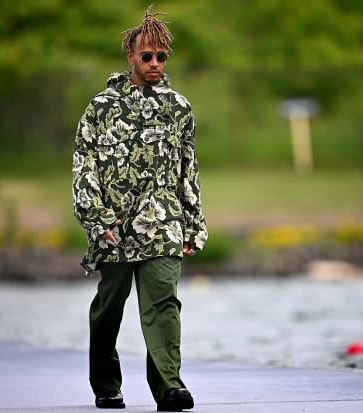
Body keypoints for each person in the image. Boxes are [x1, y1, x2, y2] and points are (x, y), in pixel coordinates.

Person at [72, 4, 207, 411]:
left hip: (163, 223)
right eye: (146, 55)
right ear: (130, 55)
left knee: (163, 302)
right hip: (113, 226)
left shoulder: (179, 107)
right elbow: (84, 167)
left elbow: (189, 169)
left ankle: (169, 386)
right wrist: (96, 220)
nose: (154, 63)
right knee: (108, 309)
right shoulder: (100, 108)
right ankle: (106, 384)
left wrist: (193, 223)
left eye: (161, 56)